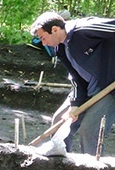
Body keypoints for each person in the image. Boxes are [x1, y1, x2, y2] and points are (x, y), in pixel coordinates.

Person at [29, 12, 115, 154]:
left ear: (55, 29)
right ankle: (61, 166)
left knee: (89, 131)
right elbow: (75, 76)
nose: (43, 43)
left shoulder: (84, 30)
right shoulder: (60, 48)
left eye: (43, 38)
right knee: (59, 121)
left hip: (109, 88)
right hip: (88, 89)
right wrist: (75, 104)